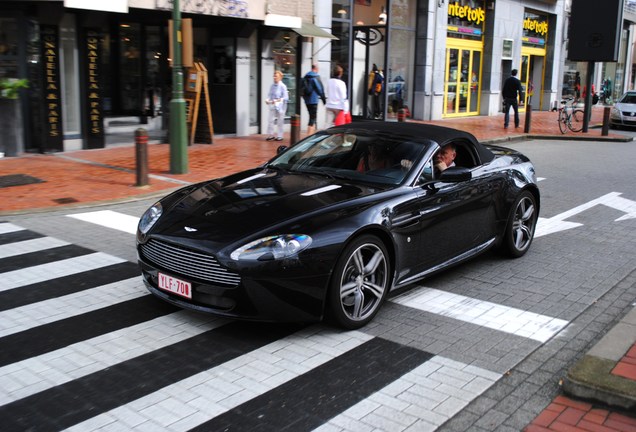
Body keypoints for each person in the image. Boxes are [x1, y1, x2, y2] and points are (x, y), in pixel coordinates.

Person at [302, 64, 326, 135]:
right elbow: (320, 89)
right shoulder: (315, 77)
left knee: (311, 117)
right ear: (316, 68)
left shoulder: (306, 76)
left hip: (307, 100)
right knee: (312, 118)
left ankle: (312, 134)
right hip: (314, 100)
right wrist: (324, 99)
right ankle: (309, 136)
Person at [265, 70, 288, 141]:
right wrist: (267, 100)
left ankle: (280, 136)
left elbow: (286, 97)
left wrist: (279, 100)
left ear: (280, 77)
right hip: (273, 105)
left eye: (276, 76)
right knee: (270, 120)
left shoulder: (283, 86)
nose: (274, 77)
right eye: (274, 76)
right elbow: (269, 95)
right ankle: (271, 135)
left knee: (280, 121)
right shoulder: (272, 86)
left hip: (281, 106)